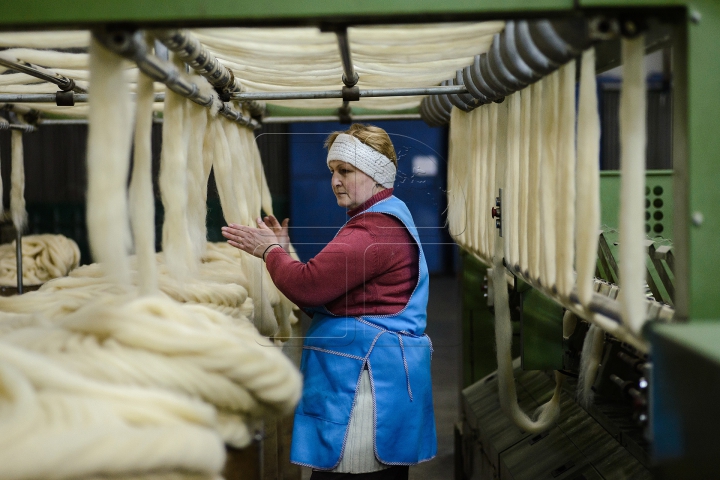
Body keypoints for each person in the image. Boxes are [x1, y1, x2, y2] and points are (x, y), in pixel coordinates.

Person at [221, 124, 436, 479]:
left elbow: (310, 287)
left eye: (346, 171)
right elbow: (332, 299)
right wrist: (283, 251)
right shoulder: (380, 219)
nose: (335, 180)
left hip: (366, 393)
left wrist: (270, 252)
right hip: (369, 379)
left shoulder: (373, 231)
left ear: (376, 172)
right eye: (332, 171)